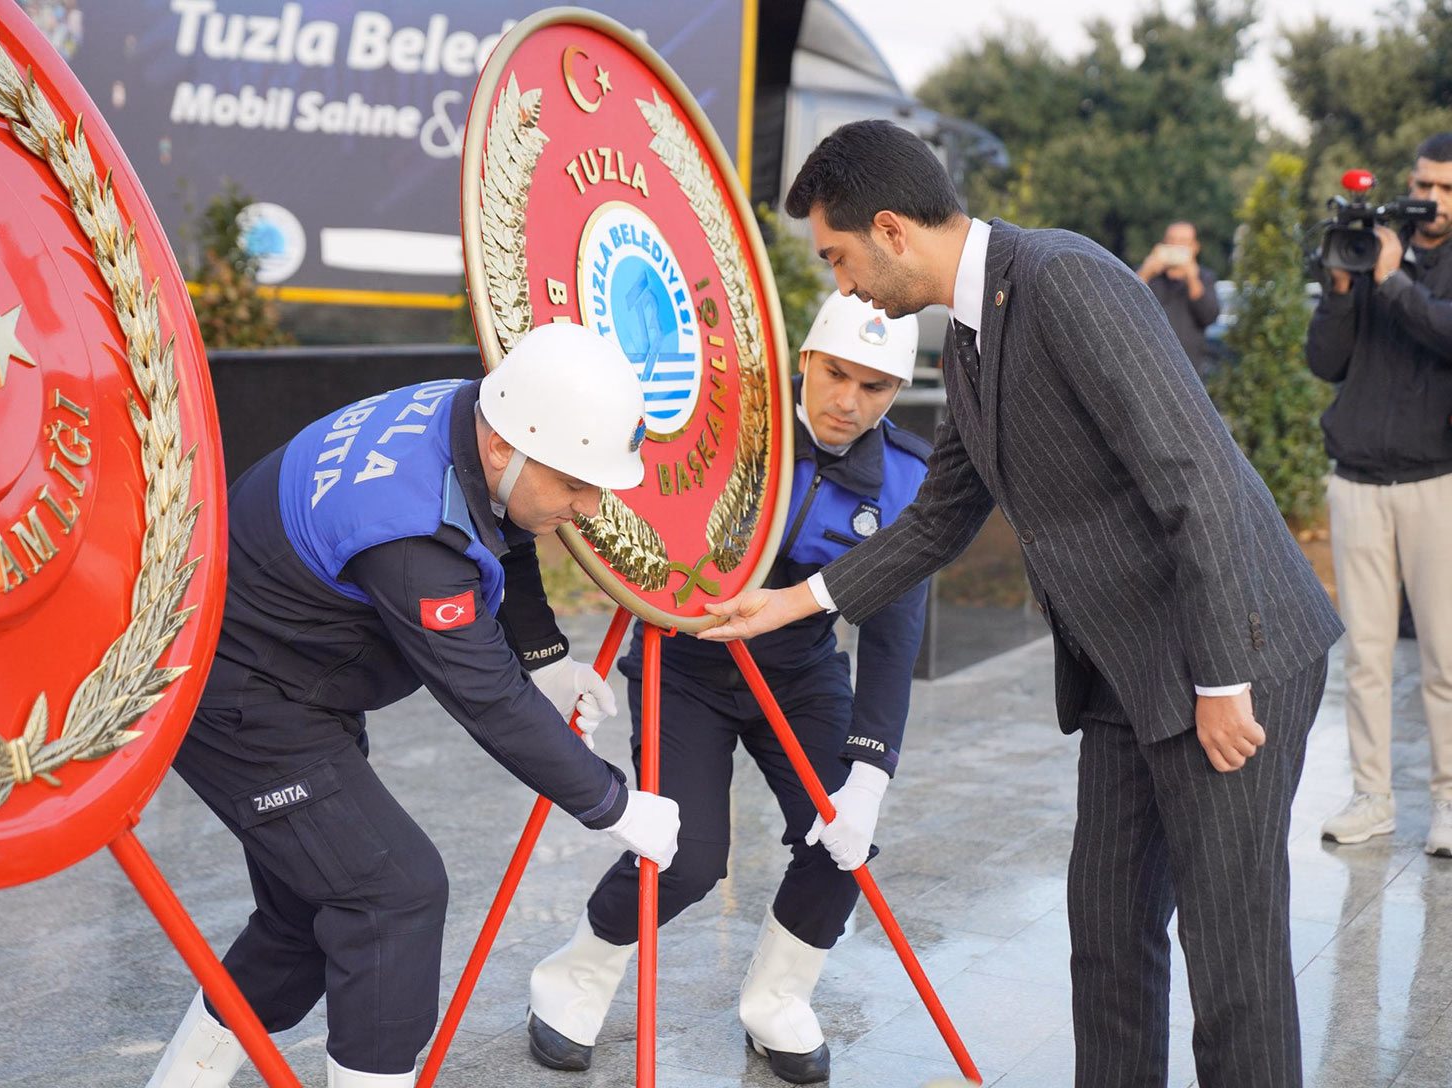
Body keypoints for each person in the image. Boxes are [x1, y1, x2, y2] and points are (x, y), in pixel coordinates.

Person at [700, 120, 1343, 1088]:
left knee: (1233, 964)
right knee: (1106, 935)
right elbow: (937, 519)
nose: (843, 286)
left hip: (1230, 651)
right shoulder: (966, 333)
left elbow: (1193, 478)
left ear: (889, 228)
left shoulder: (1062, 279)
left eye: (837, 256)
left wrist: (1220, 677)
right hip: (1129, 670)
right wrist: (794, 602)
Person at [144, 323, 681, 1088]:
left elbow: (507, 526)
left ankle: (181, 1079)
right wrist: (612, 804)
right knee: (389, 898)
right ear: (506, 446)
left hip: (286, 670)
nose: (589, 506)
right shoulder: (409, 537)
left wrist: (547, 660)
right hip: (245, 700)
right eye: (576, 483)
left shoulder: (471, 414)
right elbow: (484, 697)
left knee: (303, 916)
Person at [524, 291, 931, 1085]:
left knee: (841, 843)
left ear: (897, 391)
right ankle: (572, 979)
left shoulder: (907, 479)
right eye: (835, 373)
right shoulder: (726, 427)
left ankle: (776, 1002)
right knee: (683, 854)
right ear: (803, 361)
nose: (848, 401)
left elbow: (893, 632)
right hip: (688, 665)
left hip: (802, 670)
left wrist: (871, 772)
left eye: (875, 386)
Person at [1307, 132, 1452, 857]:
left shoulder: (1407, 265)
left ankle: (1450, 800)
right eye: (1427, 184)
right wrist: (1342, 285)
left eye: (1449, 190)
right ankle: (1373, 796)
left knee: (1445, 656)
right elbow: (1325, 361)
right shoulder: (1370, 247)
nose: (1433, 200)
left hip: (1437, 482)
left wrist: (1394, 281)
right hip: (1359, 480)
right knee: (1365, 654)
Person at [1136, 221, 1221, 375]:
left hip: (1189, 368)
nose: (1176, 246)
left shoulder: (1204, 278)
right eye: (1171, 241)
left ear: (1195, 247)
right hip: (1147, 364)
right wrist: (1146, 272)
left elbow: (1209, 316)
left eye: (1182, 242)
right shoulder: (1147, 277)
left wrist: (1192, 279)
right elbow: (1125, 304)